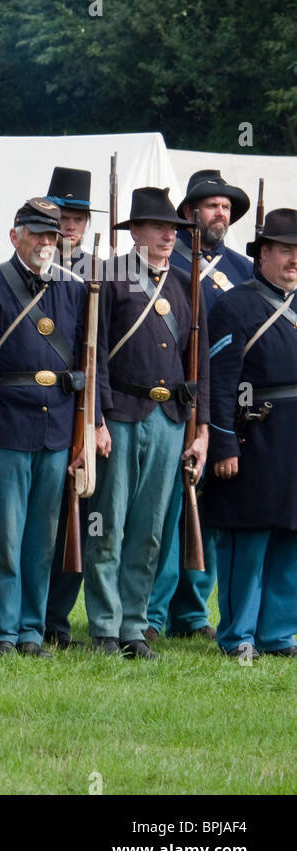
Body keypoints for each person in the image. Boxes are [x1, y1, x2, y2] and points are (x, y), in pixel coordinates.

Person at [0, 198, 103, 656]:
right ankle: (1, 631)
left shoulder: (75, 290)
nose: (47, 242)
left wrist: (88, 429)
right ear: (15, 236)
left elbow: (89, 361)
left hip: (58, 426)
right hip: (6, 423)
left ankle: (29, 629)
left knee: (42, 537)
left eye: (52, 235)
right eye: (38, 234)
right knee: (5, 536)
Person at [84, 187, 209, 660]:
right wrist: (95, 419)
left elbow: (199, 366)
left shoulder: (185, 284)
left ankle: (135, 625)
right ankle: (104, 625)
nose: (166, 236)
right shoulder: (109, 279)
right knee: (106, 525)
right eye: (157, 227)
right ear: (134, 230)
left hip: (169, 418)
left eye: (172, 229)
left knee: (150, 530)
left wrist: (201, 430)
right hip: (119, 415)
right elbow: (92, 356)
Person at [147, 171, 254, 642]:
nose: (221, 214)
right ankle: (151, 614)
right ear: (190, 212)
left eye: (226, 207)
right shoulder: (169, 261)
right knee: (165, 511)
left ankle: (192, 615)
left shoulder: (242, 268)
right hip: (173, 396)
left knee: (206, 513)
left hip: (222, 400)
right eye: (212, 205)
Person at [203, 208, 297, 657]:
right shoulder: (236, 305)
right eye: (284, 250)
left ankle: (278, 634)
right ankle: (238, 635)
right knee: (249, 538)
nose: (293, 259)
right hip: (254, 437)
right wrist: (222, 442)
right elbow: (220, 383)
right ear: (262, 255)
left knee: (290, 537)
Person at [41, 166, 104, 647]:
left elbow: (102, 356)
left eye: (78, 217)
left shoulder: (102, 275)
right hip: (35, 409)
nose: (69, 225)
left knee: (77, 516)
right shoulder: (26, 266)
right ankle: (26, 616)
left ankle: (57, 620)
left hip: (83, 408)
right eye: (63, 215)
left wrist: (97, 418)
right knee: (38, 519)